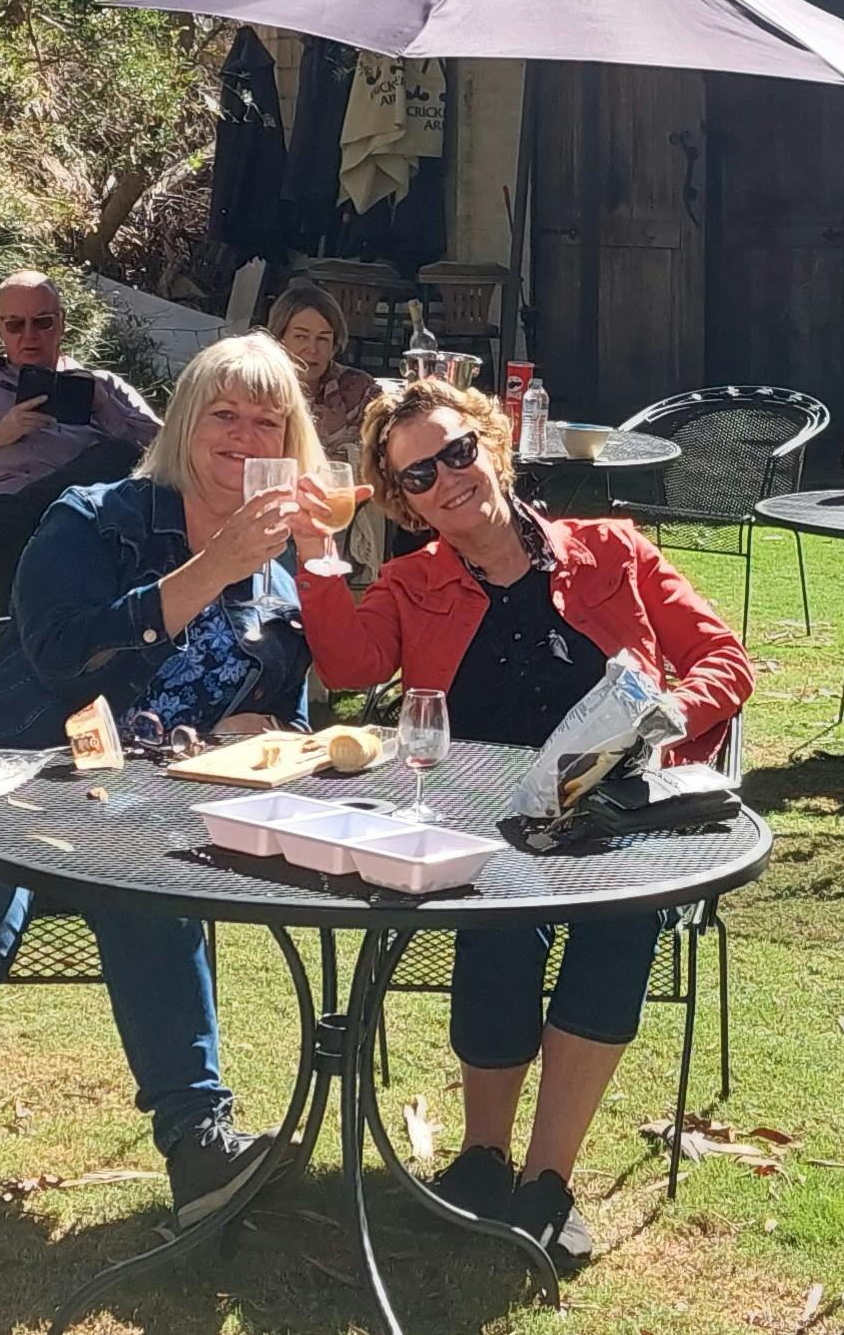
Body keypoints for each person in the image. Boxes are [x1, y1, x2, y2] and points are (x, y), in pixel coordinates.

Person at [0, 333, 327, 1286]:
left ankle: (198, 1147)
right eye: (224, 413)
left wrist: (260, 726)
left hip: (124, 809)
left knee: (150, 873)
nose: (245, 434)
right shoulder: (93, 519)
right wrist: (210, 566)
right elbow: (62, 655)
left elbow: (285, 713)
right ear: (184, 425)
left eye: (269, 420)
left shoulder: (282, 567)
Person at [299, 379, 751, 1263]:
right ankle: (482, 1157)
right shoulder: (411, 582)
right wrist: (318, 553)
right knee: (499, 918)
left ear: (493, 446)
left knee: (621, 923)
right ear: (405, 503)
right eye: (420, 476)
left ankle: (548, 1178)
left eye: (457, 452)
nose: (448, 479)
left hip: (615, 816)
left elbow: (723, 658)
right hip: (485, 823)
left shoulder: (613, 551)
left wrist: (665, 716)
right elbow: (348, 667)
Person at [0, 271, 162, 596]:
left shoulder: (101, 386)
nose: (29, 335)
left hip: (74, 518)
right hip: (11, 515)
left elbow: (168, 452)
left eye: (42, 322)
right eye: (15, 325)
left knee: (113, 459)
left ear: (61, 322)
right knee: (44, 535)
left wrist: (105, 408)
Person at [264, 280, 382, 457]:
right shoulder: (258, 389)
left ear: (334, 345)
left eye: (322, 339)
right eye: (301, 336)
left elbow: (377, 455)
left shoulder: (361, 391)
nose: (312, 349)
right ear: (279, 340)